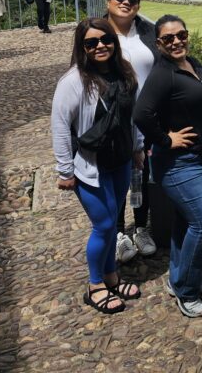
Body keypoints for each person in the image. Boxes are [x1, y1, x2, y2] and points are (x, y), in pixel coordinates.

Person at [51, 18, 144, 314]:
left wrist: (138, 148)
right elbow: (61, 126)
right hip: (90, 166)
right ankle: (95, 286)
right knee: (103, 225)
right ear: (82, 47)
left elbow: (132, 115)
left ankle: (111, 276)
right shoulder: (74, 81)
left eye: (105, 40)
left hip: (120, 161)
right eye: (92, 43)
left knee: (113, 218)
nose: (100, 46)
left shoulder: (124, 73)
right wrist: (64, 171)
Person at [134, 14, 202, 318]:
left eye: (181, 35)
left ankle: (179, 277)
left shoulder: (193, 64)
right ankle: (187, 289)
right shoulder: (163, 74)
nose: (176, 42)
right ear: (158, 43)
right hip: (178, 163)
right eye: (168, 39)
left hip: (200, 157)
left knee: (187, 221)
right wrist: (165, 139)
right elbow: (141, 115)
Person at [103, 0, 158, 263]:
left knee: (141, 175)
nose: (126, 3)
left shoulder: (147, 31)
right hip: (114, 119)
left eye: (132, 0)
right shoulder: (99, 33)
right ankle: (116, 234)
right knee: (116, 177)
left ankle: (139, 227)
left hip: (146, 118)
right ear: (109, 1)